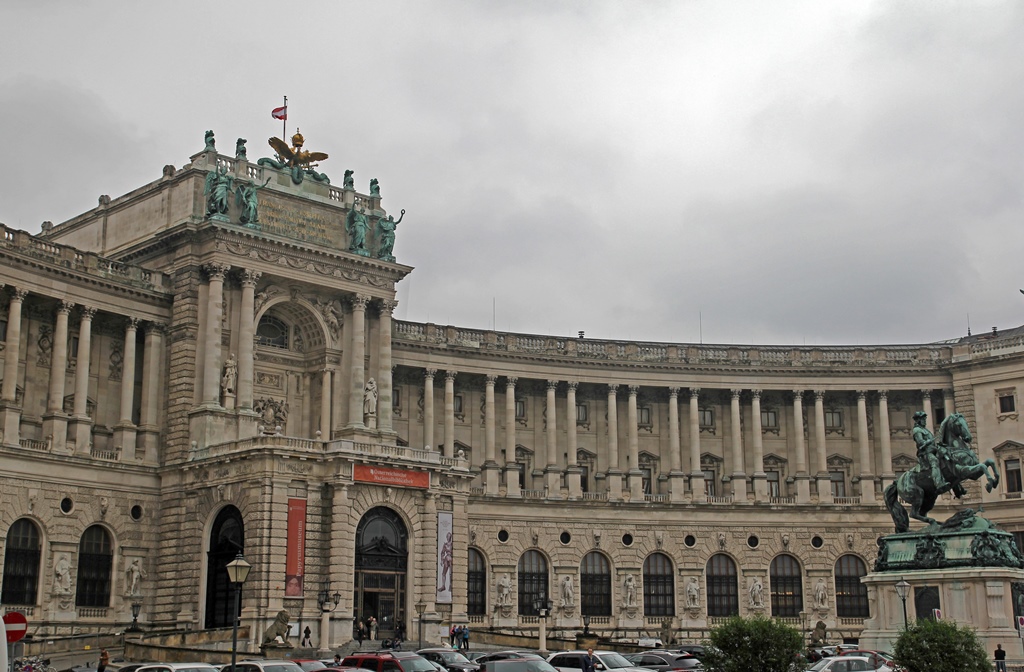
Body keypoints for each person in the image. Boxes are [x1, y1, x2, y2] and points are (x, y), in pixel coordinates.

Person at [913, 411, 948, 490]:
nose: (925, 421)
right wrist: (927, 442)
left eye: (925, 419)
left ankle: (958, 489)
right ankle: (938, 483)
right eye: (923, 419)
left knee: (949, 460)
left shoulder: (926, 430)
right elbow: (920, 442)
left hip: (933, 450)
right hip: (925, 453)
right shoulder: (917, 430)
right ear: (918, 420)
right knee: (934, 461)